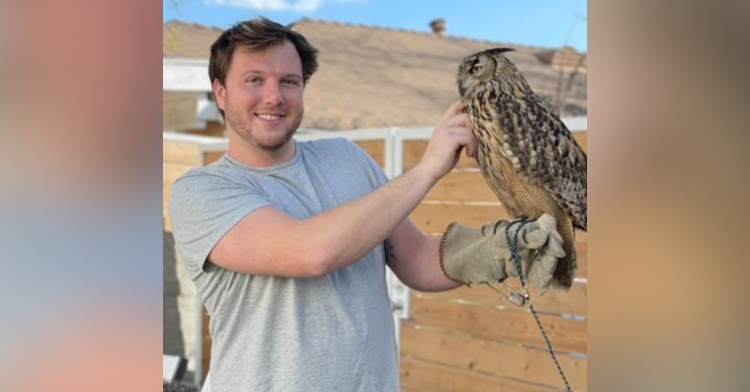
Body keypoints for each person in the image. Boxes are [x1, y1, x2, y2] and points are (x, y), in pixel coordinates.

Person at [169, 16, 564, 392]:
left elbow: (417, 260)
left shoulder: (347, 158)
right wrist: (426, 170)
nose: (274, 96)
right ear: (220, 92)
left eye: (289, 81)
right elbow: (309, 253)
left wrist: (501, 249)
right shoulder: (202, 191)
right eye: (254, 79)